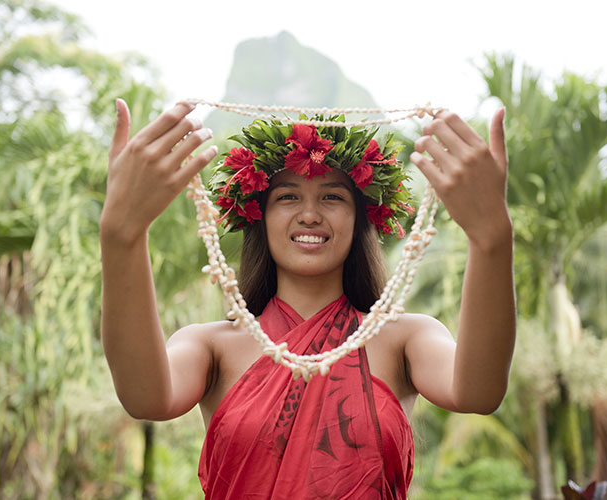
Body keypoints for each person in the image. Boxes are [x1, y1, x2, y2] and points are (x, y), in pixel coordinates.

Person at [100, 99, 516, 499]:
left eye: (333, 196)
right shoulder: (211, 346)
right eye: (287, 196)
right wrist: (121, 235)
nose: (311, 214)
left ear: (361, 218)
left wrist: (491, 238)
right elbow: (144, 397)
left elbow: (478, 393)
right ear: (258, 217)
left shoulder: (406, 338)